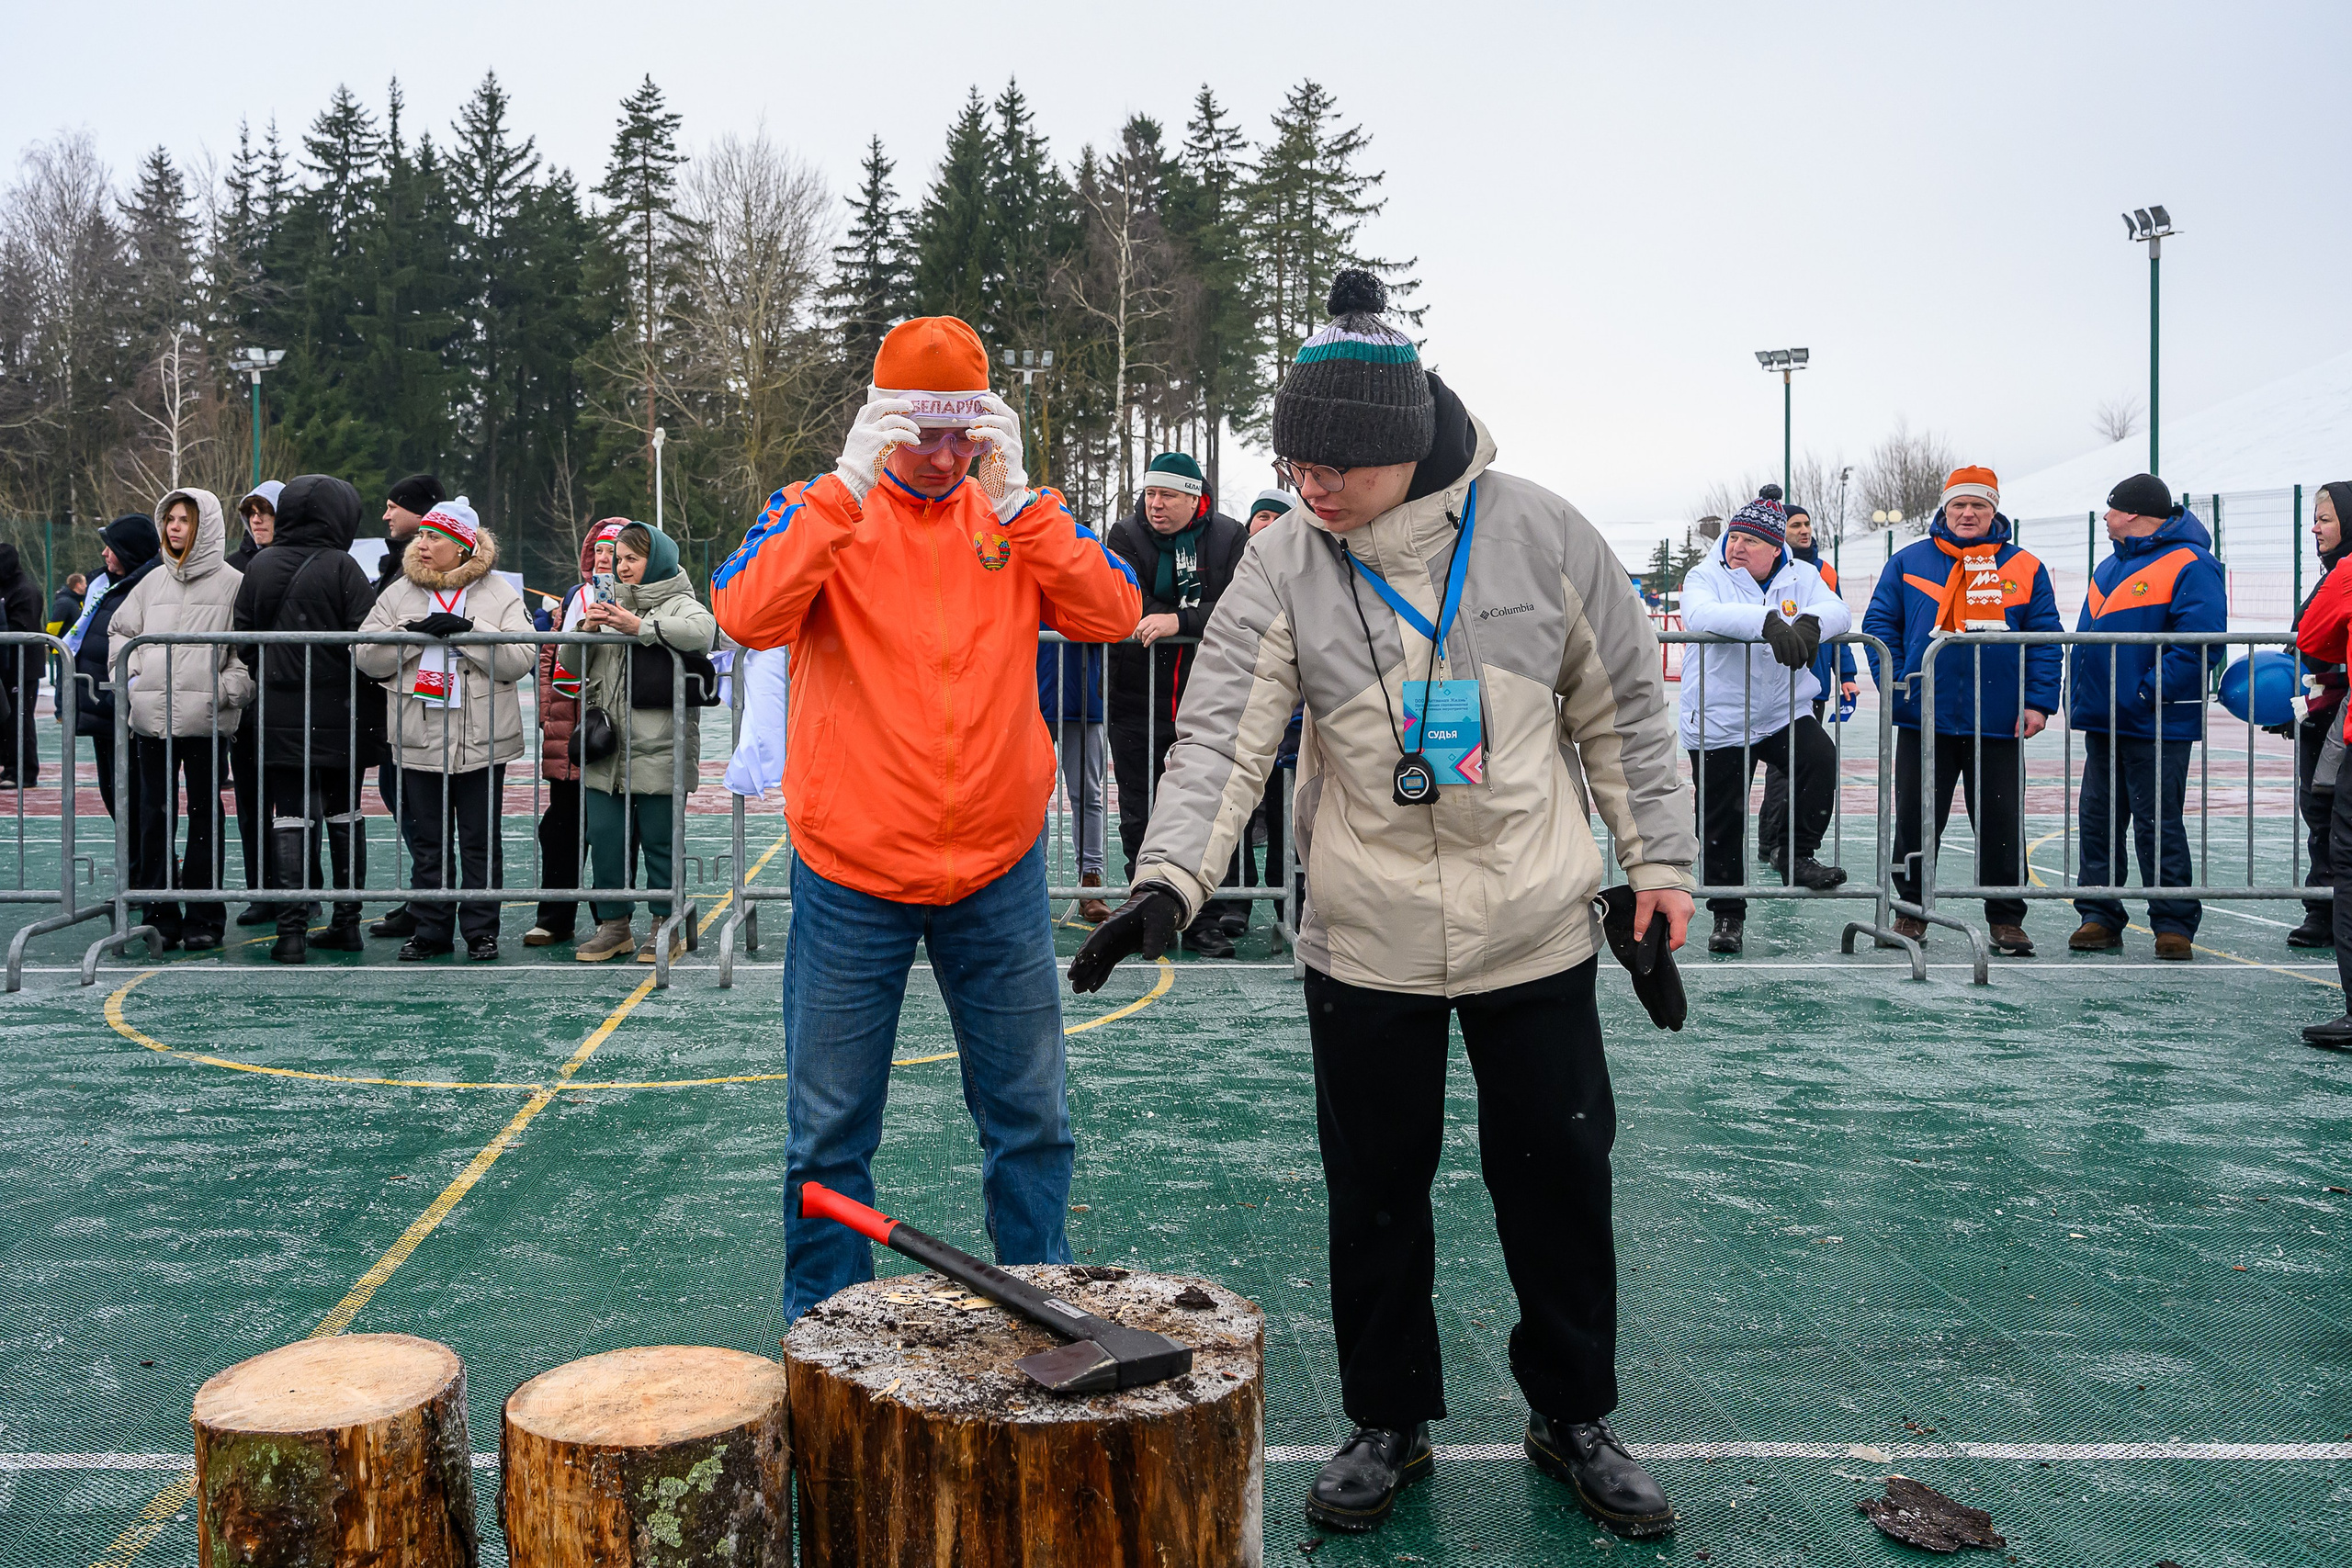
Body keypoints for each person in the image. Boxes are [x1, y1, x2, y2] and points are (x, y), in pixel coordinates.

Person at [1071, 272, 1693, 1541]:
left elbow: (1625, 706)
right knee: (1375, 1191)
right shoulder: (1286, 561)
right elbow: (1221, 734)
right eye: (1291, 463)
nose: (1308, 487)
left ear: (1397, 446)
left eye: (1328, 467)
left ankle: (1572, 1410)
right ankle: (1387, 1417)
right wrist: (1168, 876)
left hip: (1532, 925)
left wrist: (1658, 867)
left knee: (1560, 1179)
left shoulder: (1543, 533)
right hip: (1366, 937)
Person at [709, 313, 1141, 1322]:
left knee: (1031, 1118)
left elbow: (1112, 613)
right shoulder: (823, 512)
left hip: (994, 867)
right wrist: (842, 488)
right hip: (852, 870)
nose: (946, 459)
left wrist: (1024, 496)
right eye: (923, 434)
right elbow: (744, 613)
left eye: (965, 435)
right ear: (880, 423)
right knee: (828, 1132)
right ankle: (823, 1334)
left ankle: (1046, 1309)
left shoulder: (1012, 518)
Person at [1861, 466, 2063, 955]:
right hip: (1923, 717)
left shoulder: (2025, 567)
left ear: (1994, 511)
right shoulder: (1908, 561)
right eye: (1959, 505)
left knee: (2000, 822)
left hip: (1998, 722)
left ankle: (2006, 918)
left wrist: (2038, 702)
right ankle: (1910, 913)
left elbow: (2045, 639)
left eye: (1979, 505)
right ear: (1945, 510)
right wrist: (1897, 683)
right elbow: (1879, 625)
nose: (1968, 513)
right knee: (1914, 819)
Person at [356, 497, 534, 962]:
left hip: (482, 737)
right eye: (422, 535)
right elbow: (365, 656)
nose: (423, 543)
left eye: (434, 536)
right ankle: (431, 928)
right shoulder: (398, 593)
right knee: (428, 840)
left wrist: (468, 631)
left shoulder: (499, 595)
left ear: (461, 545)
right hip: (419, 733)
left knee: (479, 839)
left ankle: (481, 930)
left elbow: (521, 659)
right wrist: (412, 638)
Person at [1680, 492, 1852, 954]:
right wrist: (1768, 621)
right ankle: (1728, 914)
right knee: (1722, 817)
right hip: (1719, 716)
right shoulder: (1706, 574)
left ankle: (1796, 854)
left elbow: (1840, 610)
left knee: (1819, 759)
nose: (1736, 546)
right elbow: (1699, 613)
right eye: (1733, 536)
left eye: (1750, 540)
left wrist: (1813, 622)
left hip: (1781, 710)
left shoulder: (1803, 575)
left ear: (1775, 548)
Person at [2066, 473, 2225, 960]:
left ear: (2132, 514)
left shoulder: (2193, 564)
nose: (2107, 517)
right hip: (2106, 720)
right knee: (2098, 821)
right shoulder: (2109, 567)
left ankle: (2173, 924)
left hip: (2156, 721)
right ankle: (2099, 915)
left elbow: (2200, 644)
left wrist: (2145, 691)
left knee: (2158, 822)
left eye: (2112, 509)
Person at [232, 475, 387, 964]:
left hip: (278, 711)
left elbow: (243, 637)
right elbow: (368, 640)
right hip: (341, 711)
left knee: (291, 813)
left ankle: (291, 932)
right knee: (345, 811)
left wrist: (278, 669)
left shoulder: (261, 565)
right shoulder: (344, 567)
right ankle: (346, 924)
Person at [1105, 451, 1250, 956]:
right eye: (1149, 493)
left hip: (1206, 698)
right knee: (1139, 809)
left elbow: (1241, 607)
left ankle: (1206, 917)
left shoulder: (1230, 537)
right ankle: (1143, 910)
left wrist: (1180, 623)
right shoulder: (1124, 535)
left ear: (1194, 497)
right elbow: (1120, 599)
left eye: (1167, 494)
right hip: (1134, 697)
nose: (1155, 504)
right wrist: (1165, 615)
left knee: (1207, 806)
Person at [109, 489, 252, 950]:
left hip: (206, 725)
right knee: (154, 816)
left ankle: (205, 917)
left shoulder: (234, 583)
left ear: (204, 526)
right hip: (150, 722)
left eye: (184, 520)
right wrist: (132, 683)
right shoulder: (150, 584)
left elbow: (248, 654)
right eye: (169, 519)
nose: (174, 527)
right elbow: (121, 635)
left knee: (204, 816)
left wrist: (225, 694)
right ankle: (159, 914)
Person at [573, 521, 716, 964]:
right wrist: (588, 629)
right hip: (606, 748)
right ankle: (613, 926)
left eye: (632, 558)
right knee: (606, 837)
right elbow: (567, 661)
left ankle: (663, 923)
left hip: (661, 747)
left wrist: (641, 626)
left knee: (659, 840)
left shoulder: (680, 602)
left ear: (655, 560)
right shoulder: (604, 601)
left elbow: (703, 632)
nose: (622, 566)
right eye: (618, 559)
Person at [526, 521, 624, 947]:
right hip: (569, 729)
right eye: (599, 551)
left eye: (614, 552)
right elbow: (551, 660)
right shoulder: (573, 597)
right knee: (561, 827)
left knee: (610, 831)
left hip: (614, 730)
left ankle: (610, 920)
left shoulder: (637, 600)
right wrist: (550, 712)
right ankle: (554, 918)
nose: (604, 559)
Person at [368, 472, 447, 942]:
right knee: (412, 812)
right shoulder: (396, 570)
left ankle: (433, 904)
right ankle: (425, 899)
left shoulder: (417, 573)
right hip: (400, 713)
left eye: (395, 505)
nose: (386, 514)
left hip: (430, 715)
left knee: (427, 818)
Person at [1755, 502, 1858, 857]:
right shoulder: (1759, 572)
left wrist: (1847, 674)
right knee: (1778, 773)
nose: (1804, 530)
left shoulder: (1823, 571)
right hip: (1770, 687)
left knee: (1798, 770)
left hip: (1813, 682)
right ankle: (1771, 843)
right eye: (1795, 525)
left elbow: (1837, 623)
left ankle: (1790, 848)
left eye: (1807, 524)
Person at [2292, 484, 2352, 1047]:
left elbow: (2313, 639)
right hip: (2327, 719)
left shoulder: (2345, 574)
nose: (2316, 528)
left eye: (2325, 518)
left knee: (2342, 845)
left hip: (2344, 726)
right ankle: (2321, 912)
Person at [72, 514, 164, 819]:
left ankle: (149, 866)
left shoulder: (148, 588)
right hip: (102, 708)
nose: (104, 553)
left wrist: (122, 695)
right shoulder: (102, 584)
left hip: (128, 711)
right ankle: (135, 865)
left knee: (137, 799)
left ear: (129, 551)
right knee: (113, 794)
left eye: (110, 547)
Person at [1240, 491, 1303, 917]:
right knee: (1238, 809)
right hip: (1244, 713)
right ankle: (1236, 903)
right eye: (1260, 516)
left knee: (1288, 818)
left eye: (1275, 517)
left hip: (1292, 720)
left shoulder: (1303, 572)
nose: (1266, 524)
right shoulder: (1238, 573)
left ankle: (1293, 904)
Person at [227, 479, 287, 921]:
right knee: (251, 804)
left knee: (295, 807)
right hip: (245, 707)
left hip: (290, 704)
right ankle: (261, 890)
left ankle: (298, 889)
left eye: (266, 510)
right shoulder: (231, 568)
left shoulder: (303, 562)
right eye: (250, 511)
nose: (257, 519)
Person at [1036, 632, 1110, 922]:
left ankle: (1092, 882)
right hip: (1033, 698)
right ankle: (1032, 882)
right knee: (1030, 795)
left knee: (1088, 795)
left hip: (1085, 699)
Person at [0, 542, 42, 789]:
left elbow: (22, 630)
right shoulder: (9, 589)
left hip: (22, 668)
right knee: (8, 720)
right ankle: (11, 768)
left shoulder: (24, 591)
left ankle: (25, 771)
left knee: (20, 719)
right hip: (7, 666)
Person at [48, 572, 87, 637]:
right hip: (65, 644)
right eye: (85, 583)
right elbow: (52, 628)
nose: (86, 586)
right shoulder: (64, 603)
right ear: (78, 585)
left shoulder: (79, 601)